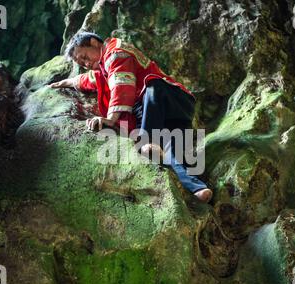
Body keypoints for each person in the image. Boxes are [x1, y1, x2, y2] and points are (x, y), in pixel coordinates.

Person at [49, 32, 213, 203]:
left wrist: (111, 118)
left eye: (84, 57)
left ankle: (147, 140)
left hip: (168, 98)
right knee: (172, 150)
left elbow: (121, 83)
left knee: (153, 86)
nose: (86, 64)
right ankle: (198, 188)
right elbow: (86, 80)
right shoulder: (102, 70)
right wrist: (64, 83)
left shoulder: (115, 52)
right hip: (168, 115)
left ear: (93, 42)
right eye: (81, 63)